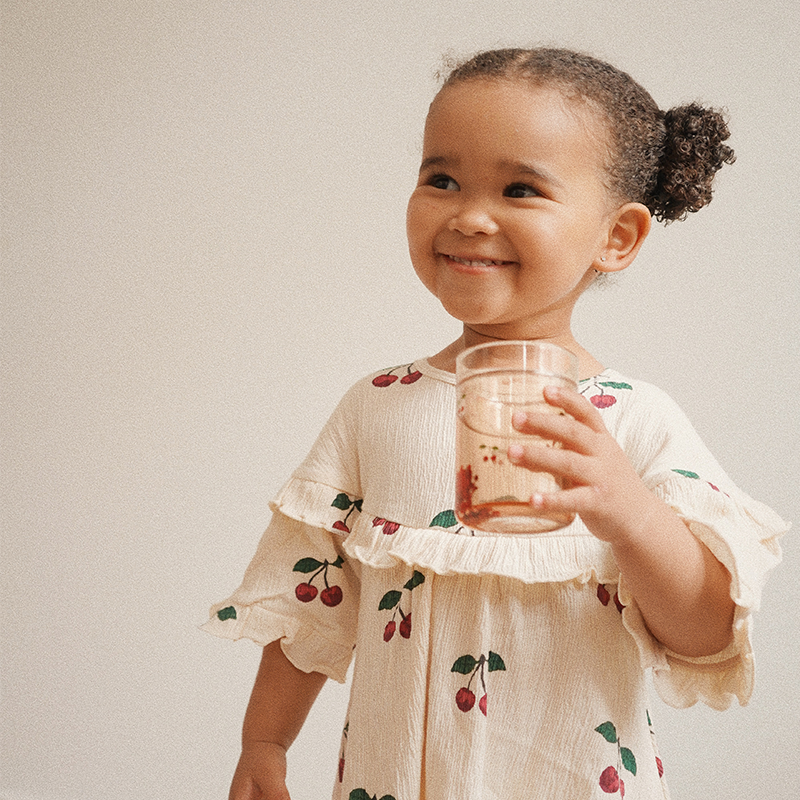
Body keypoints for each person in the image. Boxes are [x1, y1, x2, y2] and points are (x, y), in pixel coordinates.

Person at [203, 47, 788, 799]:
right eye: (440, 178)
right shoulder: (377, 404)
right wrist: (264, 741)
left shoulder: (633, 421)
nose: (469, 215)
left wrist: (632, 513)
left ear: (618, 238)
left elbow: (708, 634)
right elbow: (309, 598)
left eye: (520, 188)